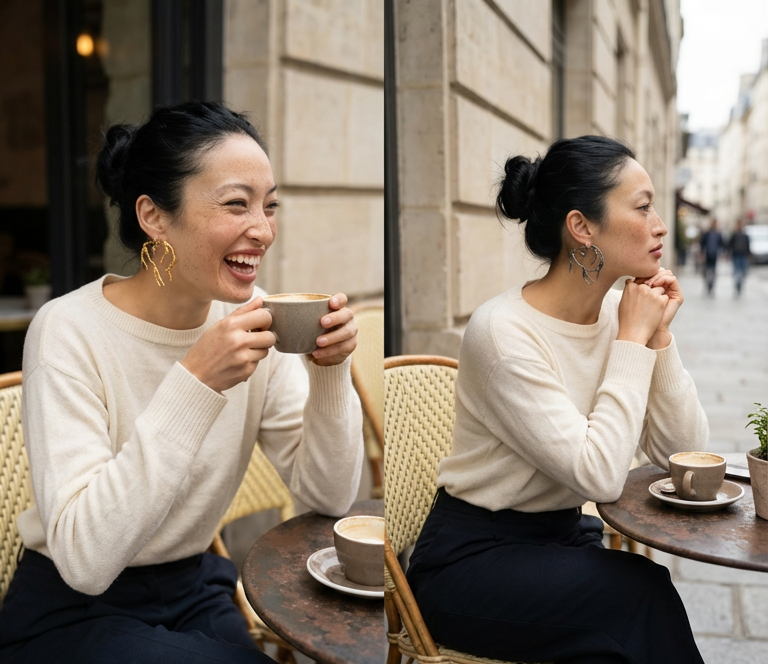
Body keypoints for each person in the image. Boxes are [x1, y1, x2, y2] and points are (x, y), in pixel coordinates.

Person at [0, 101, 364, 663]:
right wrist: (195, 384)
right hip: (72, 609)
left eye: (269, 207)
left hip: (194, 588)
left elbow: (329, 496)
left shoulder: (258, 320)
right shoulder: (67, 330)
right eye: (236, 205)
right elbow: (85, 561)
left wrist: (331, 374)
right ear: (154, 217)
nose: (262, 230)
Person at [405, 136, 708, 664]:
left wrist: (657, 339)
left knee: (625, 620)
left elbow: (685, 453)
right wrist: (633, 341)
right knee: (640, 598)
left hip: (560, 540)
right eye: (642, 207)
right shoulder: (503, 332)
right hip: (471, 561)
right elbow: (599, 477)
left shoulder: (623, 314)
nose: (661, 224)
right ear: (581, 227)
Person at [699, 218, 725, 296]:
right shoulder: (707, 233)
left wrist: (723, 253)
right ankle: (707, 285)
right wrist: (702, 254)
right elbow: (702, 244)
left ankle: (711, 286)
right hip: (707, 256)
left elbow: (722, 244)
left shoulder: (718, 234)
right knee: (707, 272)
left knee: (713, 272)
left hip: (714, 256)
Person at [728, 219, 751, 296]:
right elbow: (729, 244)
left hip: (743, 255)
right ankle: (737, 284)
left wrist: (749, 254)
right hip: (736, 255)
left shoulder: (745, 235)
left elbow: (748, 246)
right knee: (737, 271)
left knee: (743, 271)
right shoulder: (734, 235)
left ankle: (740, 284)